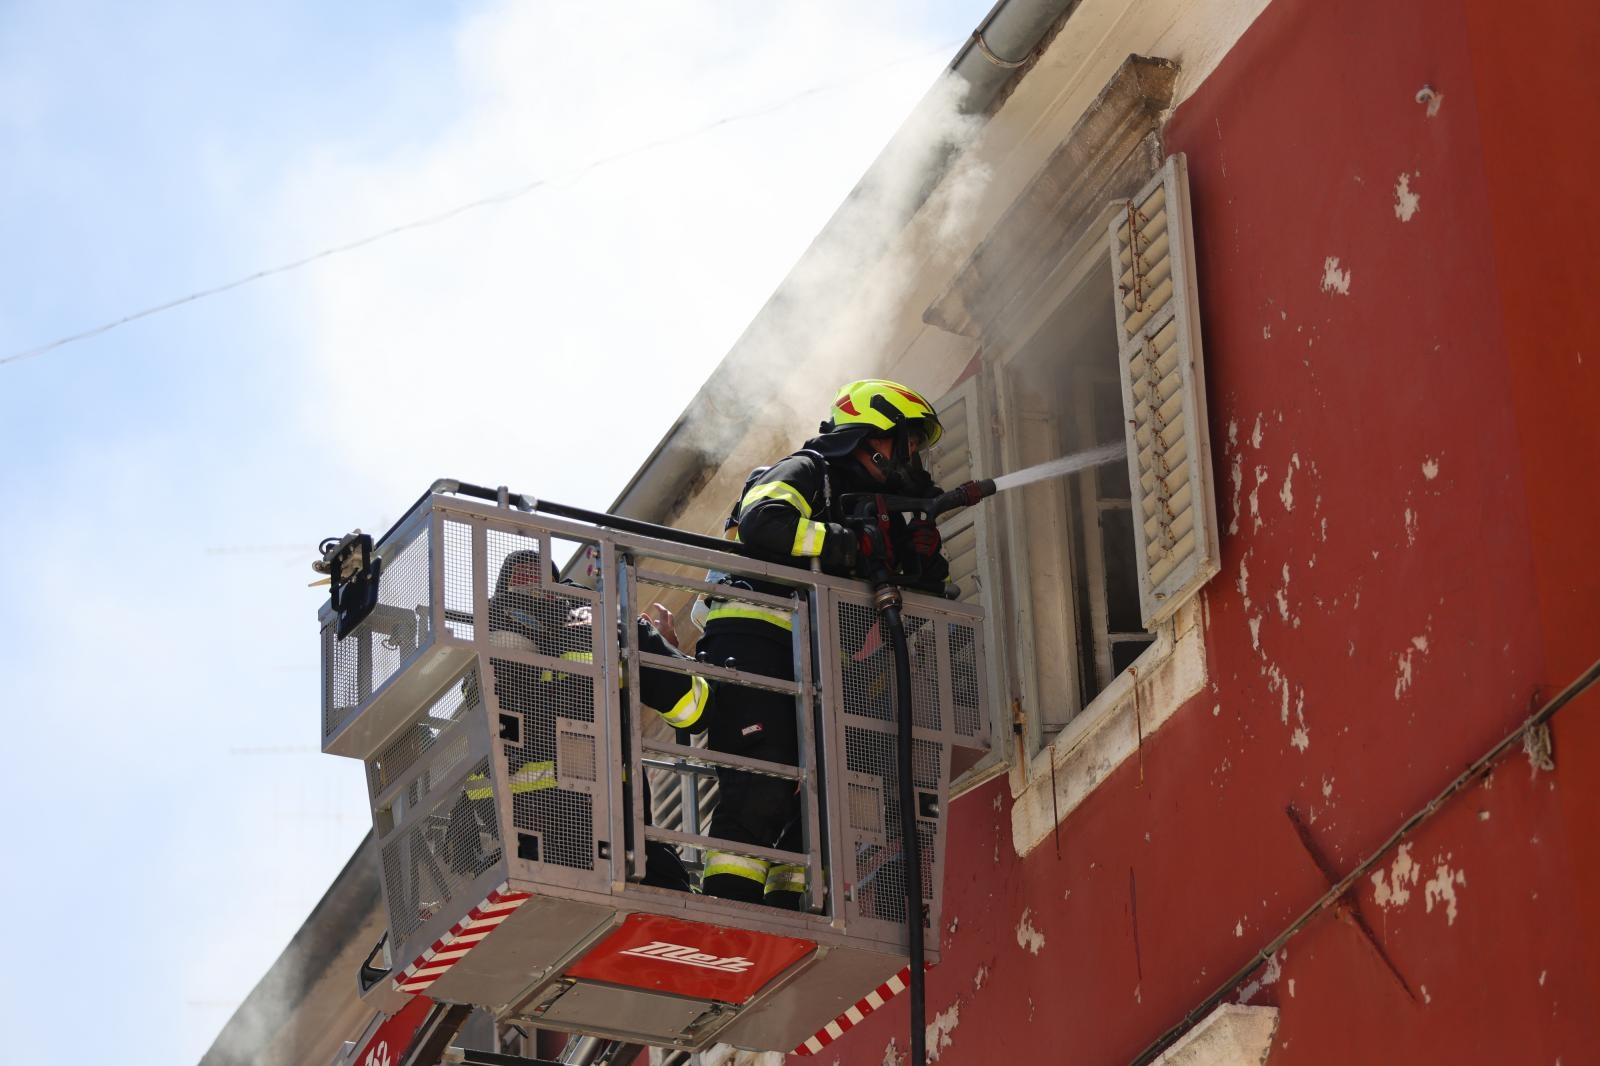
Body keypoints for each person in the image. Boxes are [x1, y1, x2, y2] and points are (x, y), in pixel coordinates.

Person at [697, 379, 951, 907]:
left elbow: (900, 593)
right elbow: (763, 522)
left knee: (815, 810)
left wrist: (920, 556)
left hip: (819, 666)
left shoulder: (869, 506)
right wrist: (847, 542)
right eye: (905, 440)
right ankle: (727, 916)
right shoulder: (807, 470)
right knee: (763, 787)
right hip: (756, 642)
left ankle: (786, 917)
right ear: (871, 433)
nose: (909, 455)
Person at [448, 548, 708, 891]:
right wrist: (668, 654)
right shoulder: (601, 622)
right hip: (598, 823)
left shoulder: (478, 652)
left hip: (516, 832)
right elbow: (692, 709)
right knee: (663, 881)